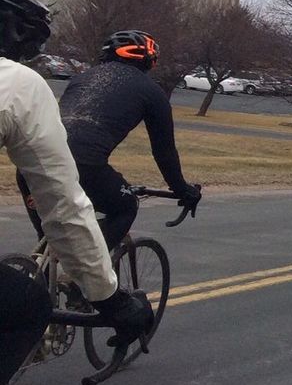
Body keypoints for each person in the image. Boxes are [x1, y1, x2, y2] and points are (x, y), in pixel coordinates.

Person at [0, 0, 152, 384]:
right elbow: (64, 204)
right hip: (68, 165)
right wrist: (111, 299)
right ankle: (80, 280)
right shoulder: (21, 81)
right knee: (29, 305)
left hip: (36, 165)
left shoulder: (86, 78)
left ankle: (55, 265)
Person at [19, 28, 201, 253]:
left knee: (49, 239)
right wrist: (183, 190)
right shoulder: (152, 92)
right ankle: (89, 268)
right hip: (81, 166)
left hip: (31, 159)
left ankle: (40, 267)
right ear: (150, 61)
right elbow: (164, 152)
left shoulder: (81, 79)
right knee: (125, 207)